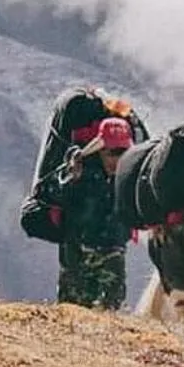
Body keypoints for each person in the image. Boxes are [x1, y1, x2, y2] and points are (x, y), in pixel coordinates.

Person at [51, 116, 136, 310]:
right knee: (71, 312)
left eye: (123, 152)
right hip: (78, 257)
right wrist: (73, 178)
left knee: (110, 314)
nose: (117, 159)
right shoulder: (81, 175)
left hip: (113, 253)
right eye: (113, 152)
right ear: (100, 151)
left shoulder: (128, 180)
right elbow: (59, 198)